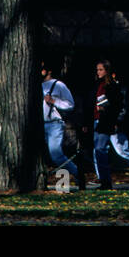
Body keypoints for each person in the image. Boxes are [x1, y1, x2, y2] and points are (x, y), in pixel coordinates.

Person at [92, 60, 129, 189]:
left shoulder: (113, 86)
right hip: (98, 121)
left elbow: (117, 105)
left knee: (113, 149)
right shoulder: (98, 85)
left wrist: (114, 119)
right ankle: (102, 179)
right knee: (97, 150)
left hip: (107, 121)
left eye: (101, 70)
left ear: (107, 71)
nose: (98, 72)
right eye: (97, 70)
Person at [41, 61, 84, 189]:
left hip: (54, 124)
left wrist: (54, 101)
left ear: (49, 70)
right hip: (40, 124)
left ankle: (77, 173)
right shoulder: (37, 85)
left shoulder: (58, 85)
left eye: (43, 68)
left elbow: (70, 104)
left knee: (56, 154)